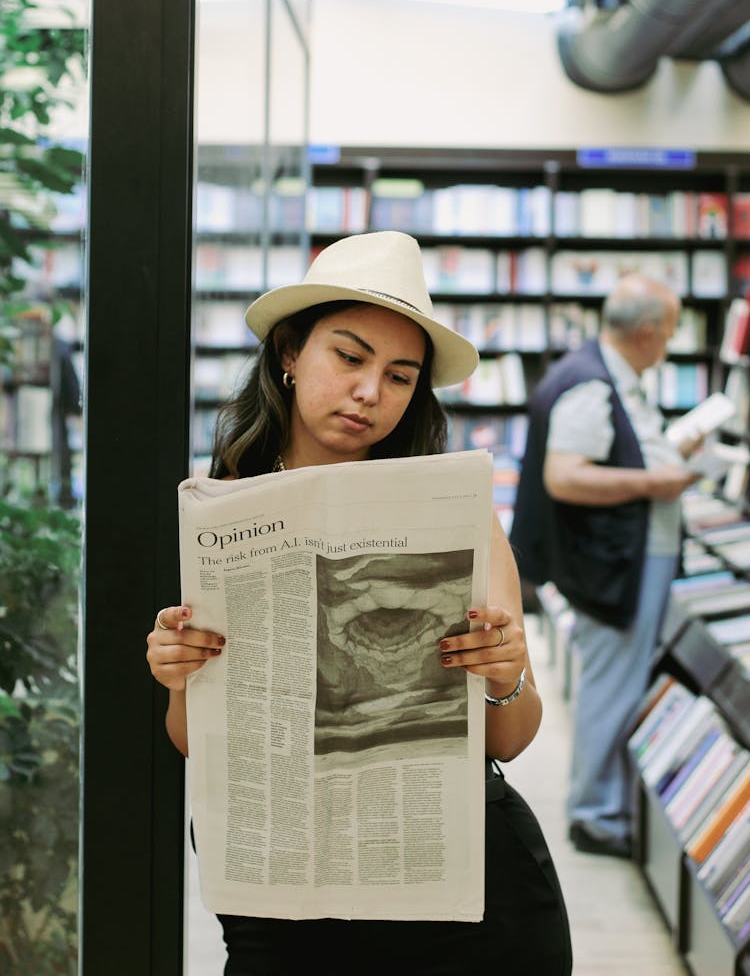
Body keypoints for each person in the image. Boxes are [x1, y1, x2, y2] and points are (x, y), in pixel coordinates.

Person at [146, 230, 572, 975]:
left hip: (461, 899)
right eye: (349, 357)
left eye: (400, 376)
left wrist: (505, 672)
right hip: (282, 896)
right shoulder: (218, 514)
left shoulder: (453, 512)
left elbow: (508, 739)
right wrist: (180, 674)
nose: (371, 392)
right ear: (289, 350)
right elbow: (192, 740)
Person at [509, 273, 702, 859]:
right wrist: (658, 480)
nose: (669, 343)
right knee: (611, 687)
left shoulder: (603, 372)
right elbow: (565, 476)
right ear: (646, 332)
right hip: (613, 565)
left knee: (615, 682)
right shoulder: (590, 385)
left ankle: (605, 804)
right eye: (668, 332)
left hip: (623, 558)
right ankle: (594, 814)